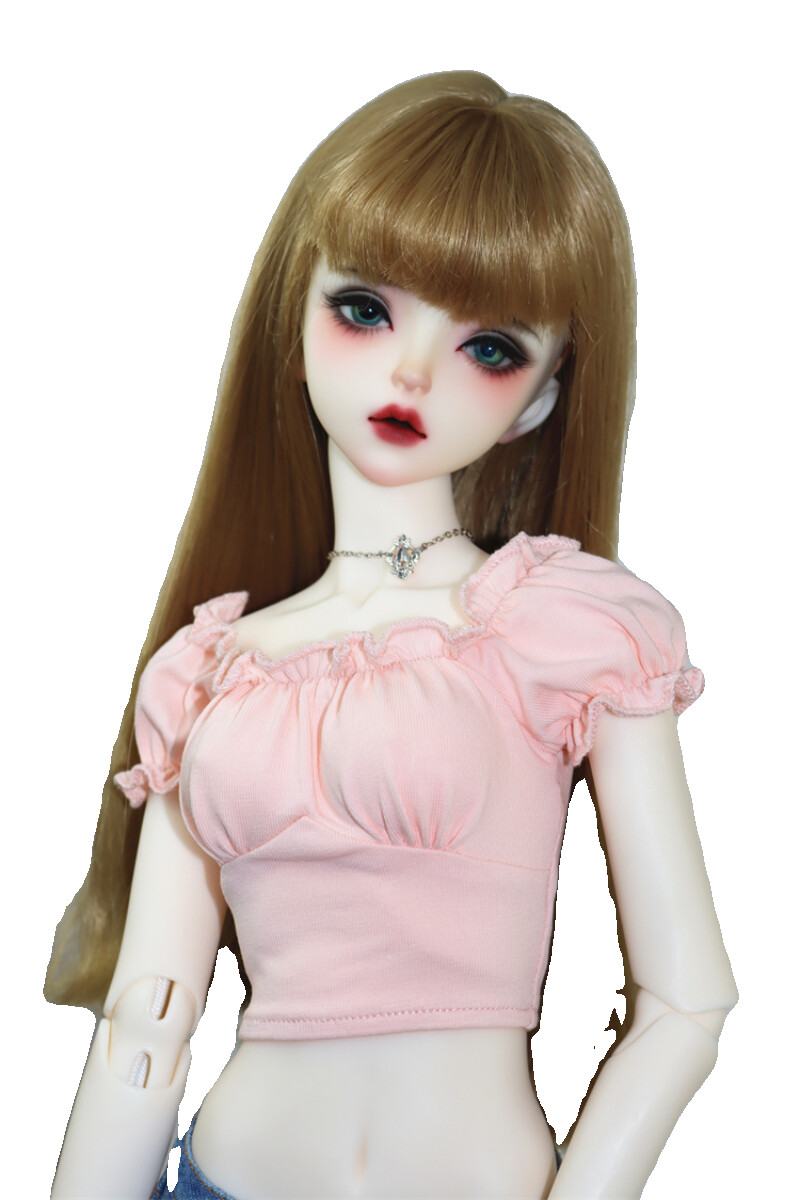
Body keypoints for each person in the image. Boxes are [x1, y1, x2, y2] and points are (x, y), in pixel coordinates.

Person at [46, 70, 737, 1199]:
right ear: (294, 314)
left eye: (489, 346)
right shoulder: (206, 671)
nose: (410, 371)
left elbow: (686, 1004)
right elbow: (147, 1021)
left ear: (542, 395)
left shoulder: (567, 629)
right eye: (364, 309)